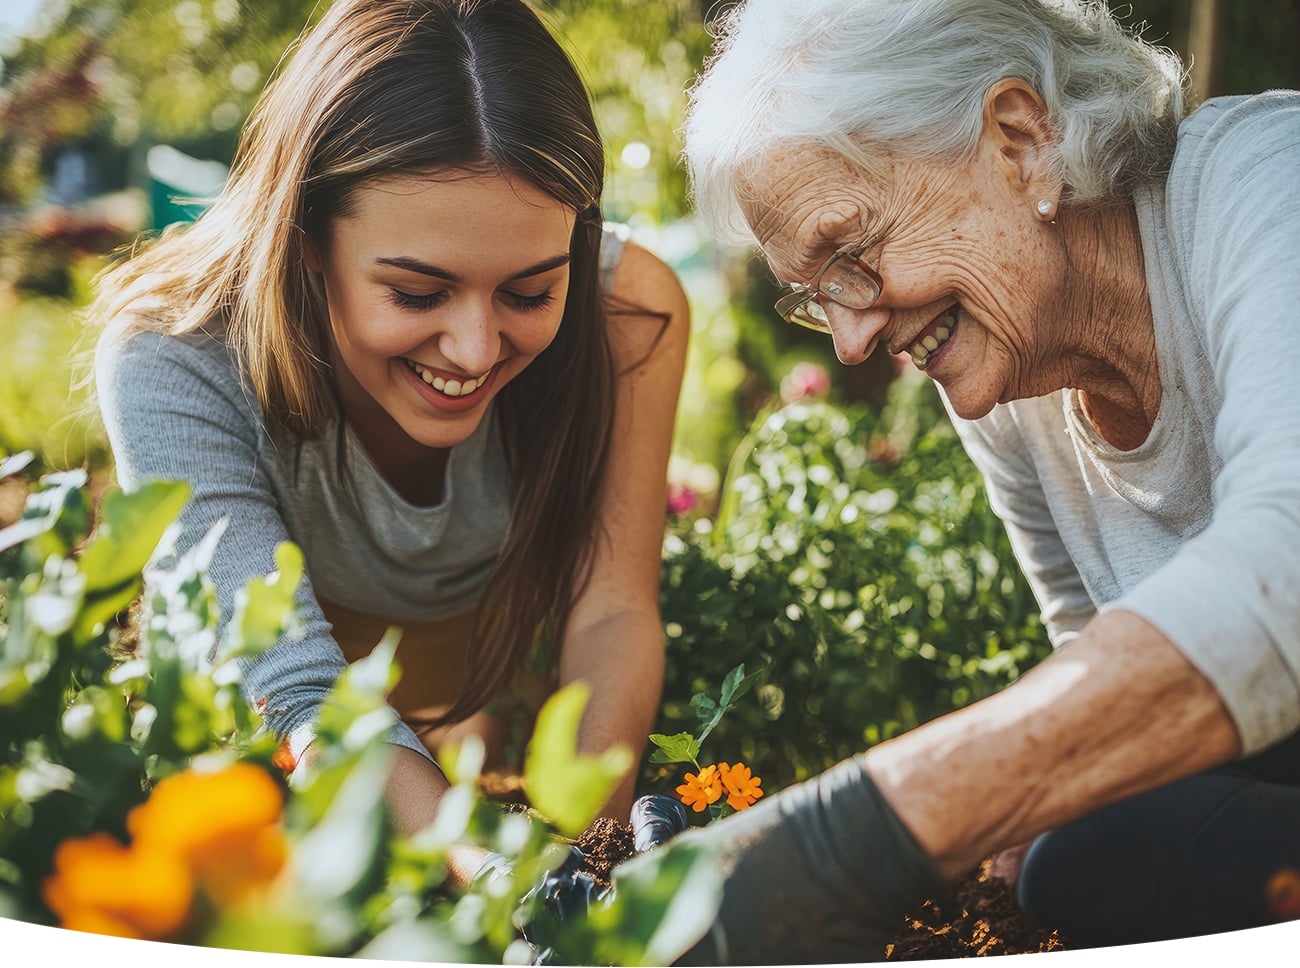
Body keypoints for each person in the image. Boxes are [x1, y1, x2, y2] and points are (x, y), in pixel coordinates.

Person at [653, 0, 1300, 961]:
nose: (852, 337)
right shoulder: (1009, 385)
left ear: (1020, 141)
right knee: (1077, 853)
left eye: (854, 256)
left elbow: (1283, 574)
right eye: (816, 293)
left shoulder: (1266, 182)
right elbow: (1100, 664)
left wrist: (851, 836)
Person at [92, 0, 689, 855]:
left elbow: (612, 605)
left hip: (499, 678)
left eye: (530, 292)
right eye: (416, 293)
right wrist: (493, 888)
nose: (476, 348)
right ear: (303, 234)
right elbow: (296, 690)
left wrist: (590, 859)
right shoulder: (177, 357)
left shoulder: (628, 312)